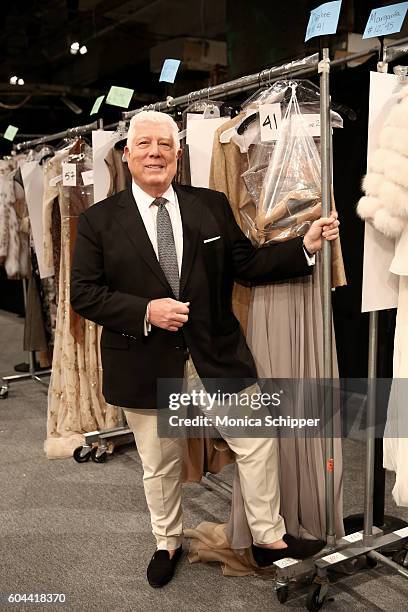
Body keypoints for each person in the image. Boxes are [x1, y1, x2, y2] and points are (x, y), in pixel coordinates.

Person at [71, 111, 340, 588]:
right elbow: (84, 293)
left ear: (178, 154)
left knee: (258, 443)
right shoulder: (98, 220)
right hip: (145, 361)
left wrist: (305, 246)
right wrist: (145, 310)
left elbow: (246, 262)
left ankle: (268, 537)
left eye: (165, 145)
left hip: (217, 354)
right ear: (127, 154)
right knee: (161, 461)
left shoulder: (211, 204)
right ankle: (167, 542)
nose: (156, 152)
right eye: (145, 144)